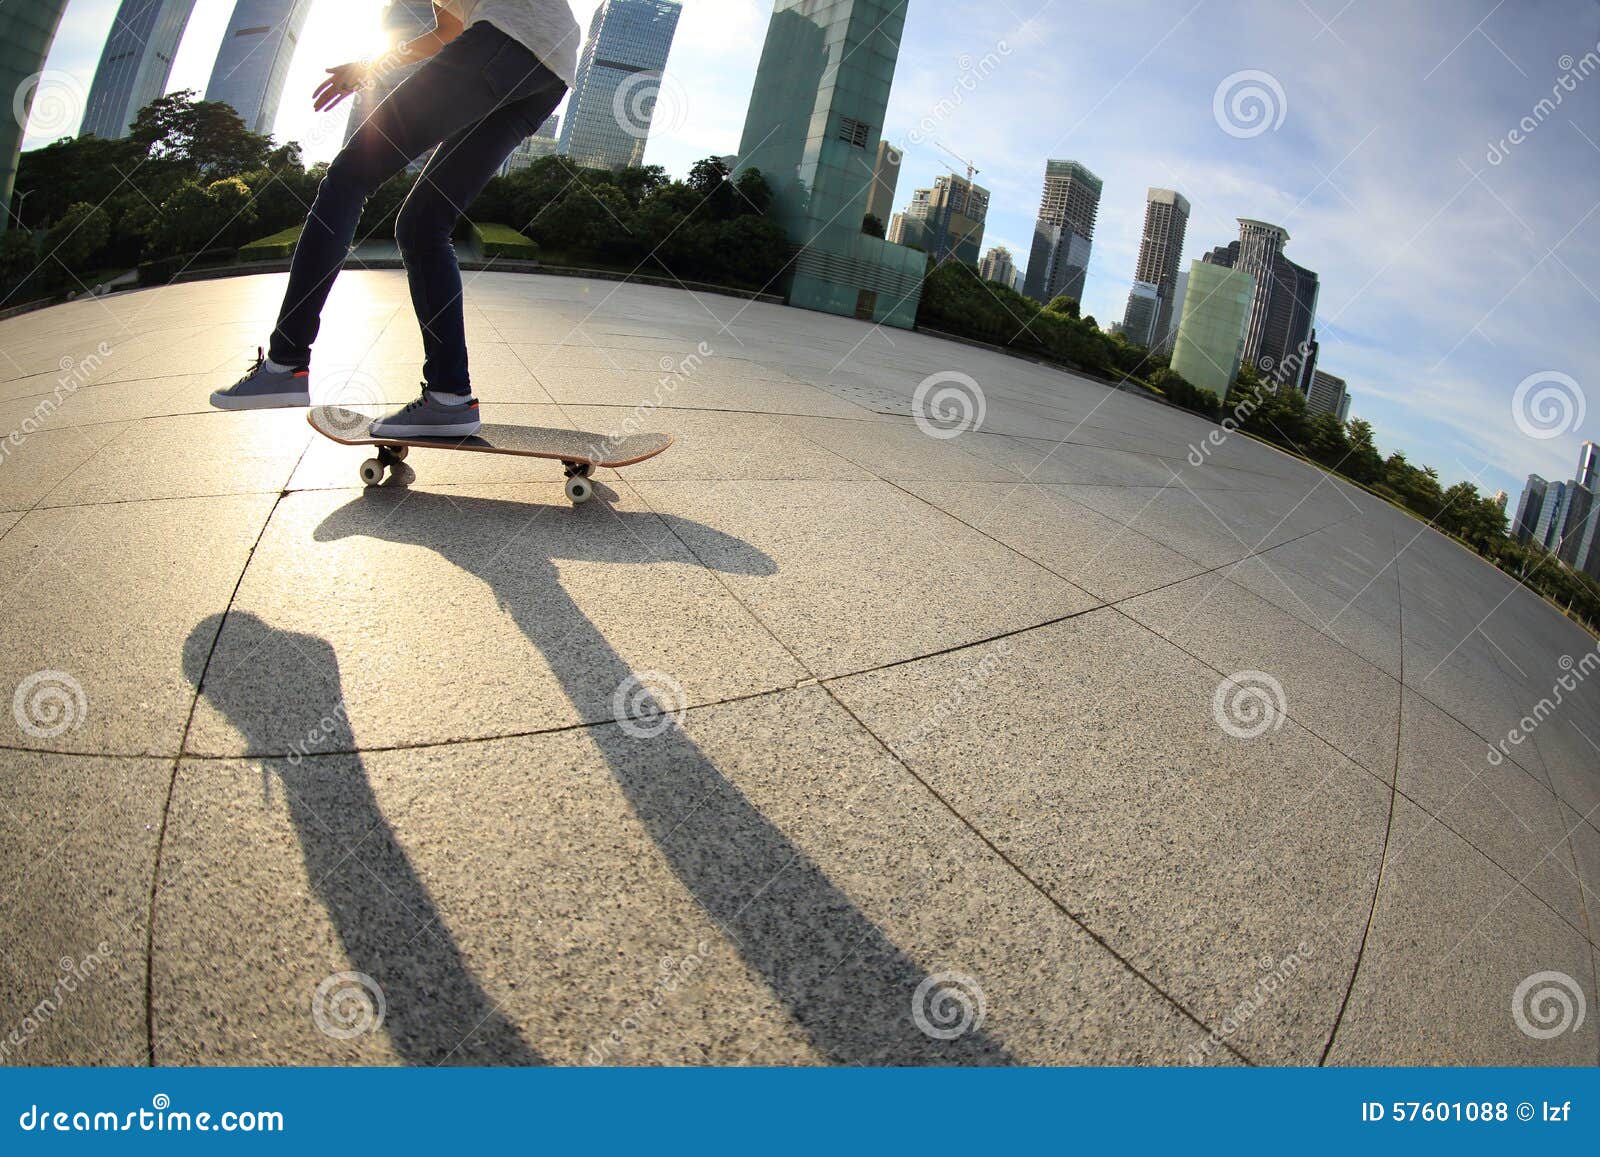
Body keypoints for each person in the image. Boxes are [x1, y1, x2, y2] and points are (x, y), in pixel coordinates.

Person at [209, 1, 578, 438]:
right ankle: (449, 398)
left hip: (506, 39)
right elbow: (445, 30)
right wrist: (370, 64)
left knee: (348, 177)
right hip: (551, 70)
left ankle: (285, 362)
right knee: (423, 224)